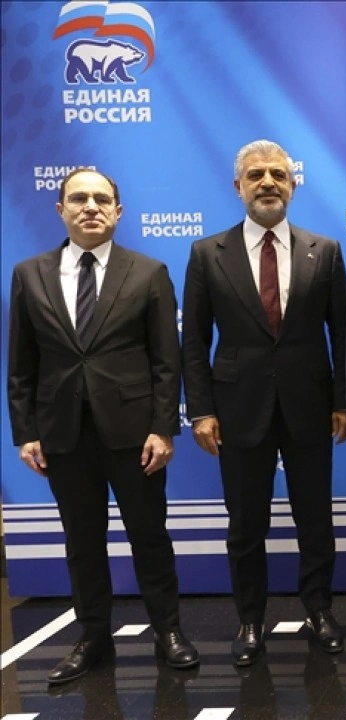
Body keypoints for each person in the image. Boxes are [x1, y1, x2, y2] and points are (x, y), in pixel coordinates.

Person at [8, 168, 199, 683]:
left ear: (118, 211)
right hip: (63, 434)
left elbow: (167, 360)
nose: (90, 207)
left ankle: (169, 631)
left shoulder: (149, 272)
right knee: (82, 542)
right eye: (79, 199)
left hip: (136, 435)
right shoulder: (29, 274)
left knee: (149, 537)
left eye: (100, 199)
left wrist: (164, 428)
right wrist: (26, 432)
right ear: (61, 210)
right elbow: (21, 363)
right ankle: (92, 636)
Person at [182, 140, 346, 666]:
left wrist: (345, 401)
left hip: (310, 405)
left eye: (278, 173)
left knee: (315, 520)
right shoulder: (207, 253)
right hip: (237, 409)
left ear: (293, 185)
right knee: (245, 525)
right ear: (238, 186)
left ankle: (319, 611)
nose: (268, 183)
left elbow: (343, 334)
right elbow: (194, 342)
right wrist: (201, 410)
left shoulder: (324, 250)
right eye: (256, 175)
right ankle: (250, 621)